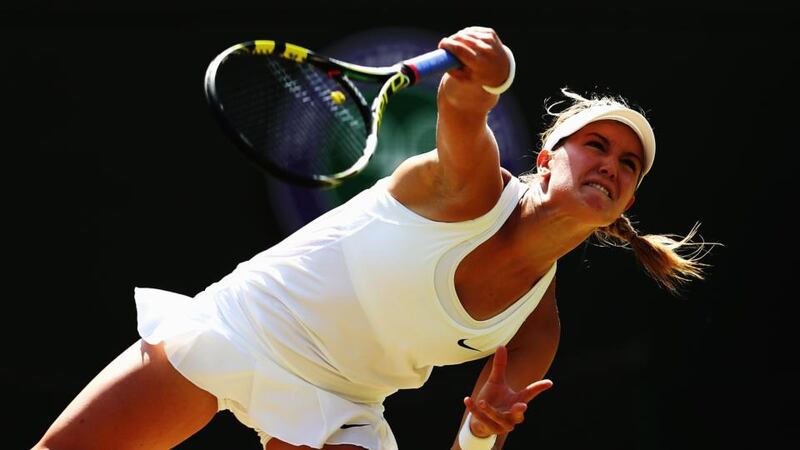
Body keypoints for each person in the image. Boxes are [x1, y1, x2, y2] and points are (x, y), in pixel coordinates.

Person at [33, 26, 710, 450]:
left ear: (629, 197)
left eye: (628, 165)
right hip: (242, 326)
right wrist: (491, 73)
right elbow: (463, 105)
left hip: (339, 410)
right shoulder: (468, 188)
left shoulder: (537, 329)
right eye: (596, 145)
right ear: (544, 160)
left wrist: (481, 430)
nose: (611, 167)